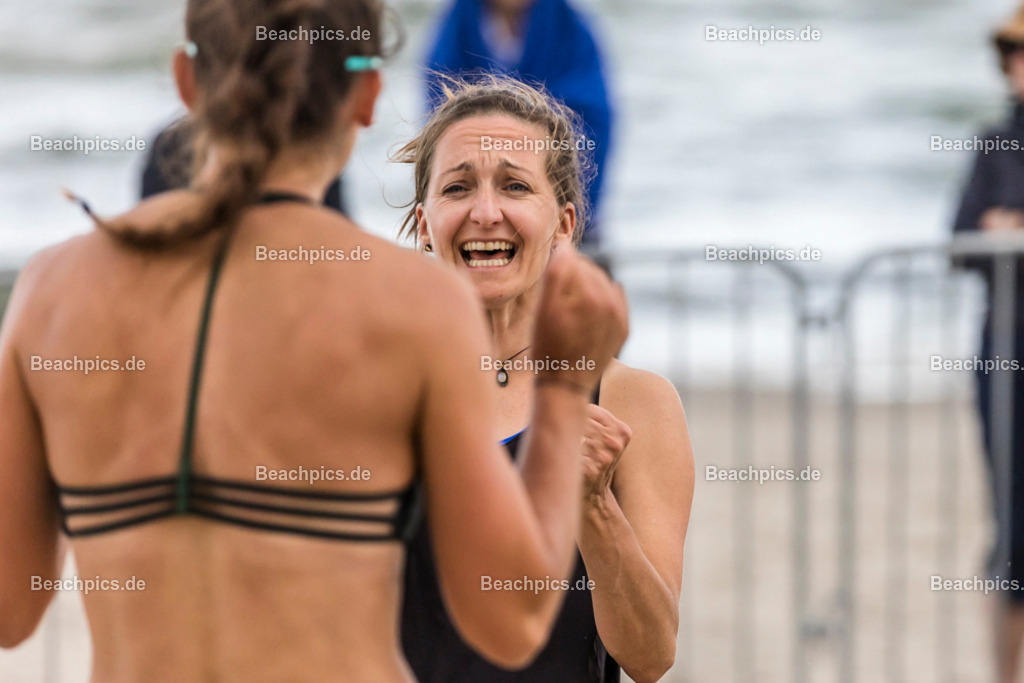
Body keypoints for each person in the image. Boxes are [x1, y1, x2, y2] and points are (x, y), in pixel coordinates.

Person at [0, 1, 629, 681]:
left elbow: (10, 610)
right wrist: (564, 389)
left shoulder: (52, 293)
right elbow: (511, 621)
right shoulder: (408, 304)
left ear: (186, 81)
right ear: (366, 97)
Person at [397, 76, 694, 683]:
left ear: (563, 224)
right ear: (425, 224)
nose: (485, 213)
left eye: (514, 186)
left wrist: (592, 506)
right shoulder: (373, 395)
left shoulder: (633, 401)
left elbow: (650, 655)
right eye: (457, 188)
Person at [953, 5, 1024, 681]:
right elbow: (961, 241)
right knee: (1013, 526)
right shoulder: (995, 143)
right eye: (1013, 52)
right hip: (1004, 356)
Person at [423, 0, 614, 250]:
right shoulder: (456, 30)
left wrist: (569, 209)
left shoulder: (572, 31)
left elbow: (594, 121)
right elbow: (437, 121)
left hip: (560, 210)